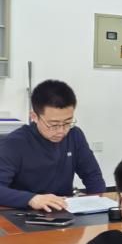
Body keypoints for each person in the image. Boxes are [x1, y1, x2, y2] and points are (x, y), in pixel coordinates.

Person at [0, 80, 105, 211]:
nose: (61, 131)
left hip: (63, 210)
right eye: (53, 124)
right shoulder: (14, 143)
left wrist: (99, 206)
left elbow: (93, 176)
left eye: (67, 122)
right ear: (34, 117)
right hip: (24, 212)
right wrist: (31, 199)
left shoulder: (74, 135)